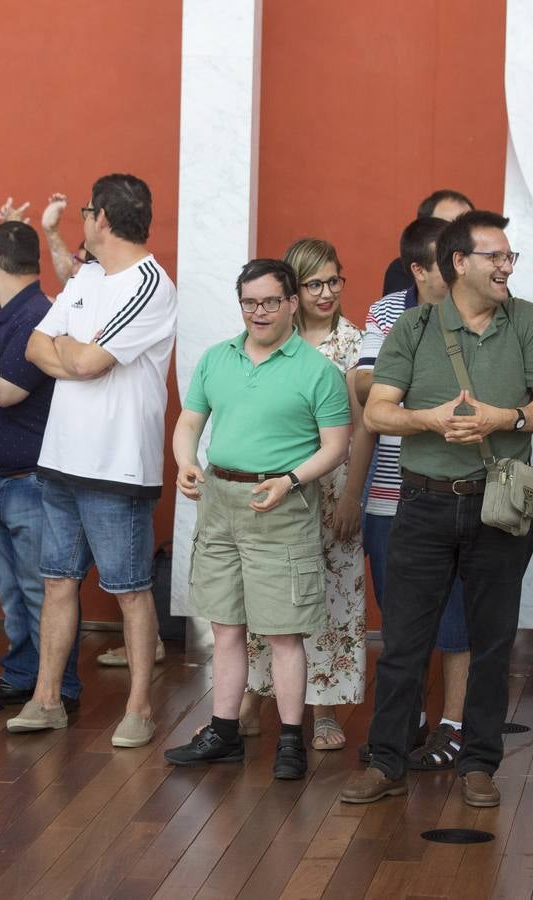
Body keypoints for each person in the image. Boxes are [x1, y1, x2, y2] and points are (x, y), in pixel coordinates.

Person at [342, 210, 533, 808]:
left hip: (498, 509)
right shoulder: (413, 328)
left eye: (509, 256)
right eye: (494, 256)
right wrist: (429, 420)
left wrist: (506, 418)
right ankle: (387, 762)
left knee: (493, 644)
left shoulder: (529, 322)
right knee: (403, 645)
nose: (506, 266)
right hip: (423, 504)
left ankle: (479, 765)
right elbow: (376, 411)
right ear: (458, 262)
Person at [7, 173, 177, 750]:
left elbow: (90, 363)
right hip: (59, 460)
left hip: (116, 467)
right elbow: (38, 345)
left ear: (101, 217)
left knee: (131, 591)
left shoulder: (150, 284)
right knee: (56, 582)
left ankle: (139, 709)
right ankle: (46, 699)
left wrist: (70, 355)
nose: (83, 219)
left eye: (85, 211)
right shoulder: (85, 278)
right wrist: (69, 355)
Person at [165, 257, 351, 779]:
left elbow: (336, 447)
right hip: (220, 501)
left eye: (271, 301)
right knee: (224, 627)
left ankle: (291, 740)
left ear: (293, 303)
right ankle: (223, 732)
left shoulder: (318, 370)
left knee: (283, 633)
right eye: (250, 302)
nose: (259, 312)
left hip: (282, 504)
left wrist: (291, 480)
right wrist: (186, 464)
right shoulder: (216, 358)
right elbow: (189, 423)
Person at [239, 238, 368, 752]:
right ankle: (253, 695)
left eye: (334, 280)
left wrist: (353, 495)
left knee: (331, 596)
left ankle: (325, 708)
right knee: (266, 594)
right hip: (274, 485)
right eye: (314, 283)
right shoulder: (268, 340)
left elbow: (365, 430)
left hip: (334, 486)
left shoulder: (357, 344)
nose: (326, 292)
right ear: (292, 291)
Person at [354, 215, 472, 768]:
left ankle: (455, 724)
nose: (457, 269)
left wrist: (402, 395)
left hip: (458, 487)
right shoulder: (386, 311)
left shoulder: (483, 312)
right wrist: (421, 401)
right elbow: (364, 385)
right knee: (401, 618)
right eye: (444, 261)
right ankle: (409, 721)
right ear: (417, 269)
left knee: (458, 615)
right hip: (389, 492)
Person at [0, 221, 81, 708]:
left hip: (34, 482)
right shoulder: (4, 315)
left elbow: (7, 394)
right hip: (7, 482)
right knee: (15, 596)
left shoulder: (36, 314)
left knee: (42, 593)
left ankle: (61, 691)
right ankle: (21, 676)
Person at [381, 189, 472, 295]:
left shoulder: (485, 263)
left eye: (467, 225)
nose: (461, 234)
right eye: (447, 226)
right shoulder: (403, 270)